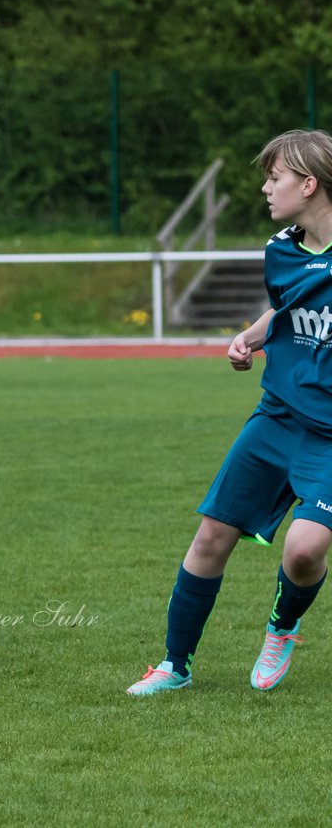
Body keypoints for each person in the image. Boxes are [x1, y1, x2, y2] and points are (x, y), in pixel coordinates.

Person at [127, 128, 332, 696]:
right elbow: (288, 308)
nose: (266, 189)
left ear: (309, 184)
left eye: (275, 178)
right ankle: (174, 665)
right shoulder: (281, 250)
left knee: (305, 548)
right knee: (212, 535)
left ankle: (281, 628)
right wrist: (252, 334)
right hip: (279, 417)